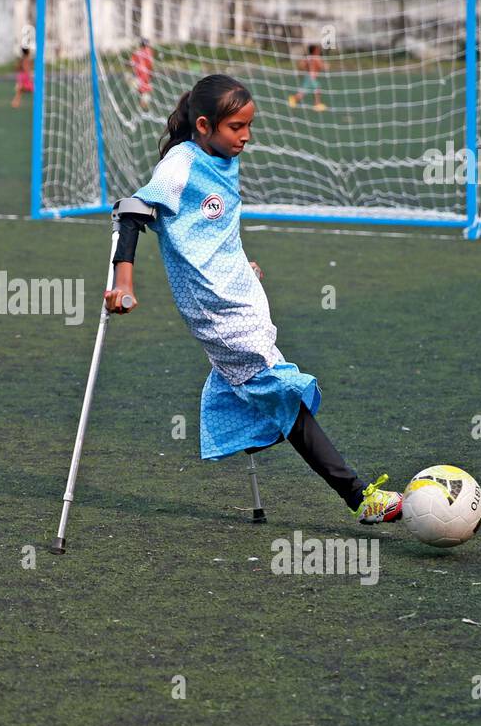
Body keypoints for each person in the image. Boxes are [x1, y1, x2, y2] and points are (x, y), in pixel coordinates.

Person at [105, 74, 403, 524]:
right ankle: (360, 497)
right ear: (204, 125)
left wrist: (241, 260)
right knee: (278, 389)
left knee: (261, 385)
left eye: (249, 126)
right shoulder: (179, 166)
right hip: (212, 307)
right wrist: (124, 283)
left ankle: (277, 437)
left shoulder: (224, 156)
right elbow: (132, 212)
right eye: (236, 127)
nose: (245, 137)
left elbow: (214, 226)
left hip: (244, 294)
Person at [288, 44, 327, 111]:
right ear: (315, 50)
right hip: (311, 77)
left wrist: (303, 70)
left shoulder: (309, 58)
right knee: (316, 88)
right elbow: (321, 66)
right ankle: (317, 104)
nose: (319, 51)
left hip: (308, 76)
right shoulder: (316, 58)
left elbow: (301, 64)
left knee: (305, 92)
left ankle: (293, 99)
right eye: (318, 49)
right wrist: (325, 66)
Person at [131, 38, 154, 111]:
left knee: (142, 90)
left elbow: (132, 63)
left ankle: (142, 104)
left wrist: (134, 73)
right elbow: (150, 64)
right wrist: (151, 73)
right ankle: (143, 107)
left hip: (138, 74)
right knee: (146, 92)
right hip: (145, 74)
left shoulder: (136, 52)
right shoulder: (148, 51)